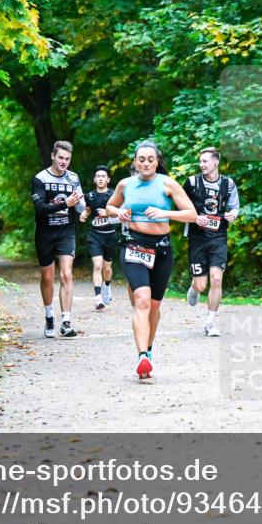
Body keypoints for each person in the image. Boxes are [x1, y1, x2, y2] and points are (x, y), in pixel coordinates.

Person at [106, 141, 196, 382]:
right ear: (134, 162)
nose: (145, 163)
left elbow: (192, 214)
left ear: (157, 162)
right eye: (141, 159)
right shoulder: (125, 185)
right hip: (134, 246)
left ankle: (149, 349)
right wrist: (118, 213)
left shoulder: (168, 184)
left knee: (154, 307)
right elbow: (109, 207)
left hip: (162, 249)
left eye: (150, 159)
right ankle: (142, 355)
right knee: (142, 300)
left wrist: (165, 213)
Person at [183, 147, 240, 336]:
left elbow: (234, 207)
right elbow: (180, 206)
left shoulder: (228, 184)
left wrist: (232, 214)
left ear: (215, 162)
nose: (201, 165)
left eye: (205, 161)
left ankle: (210, 322)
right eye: (200, 161)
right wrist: (194, 217)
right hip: (197, 238)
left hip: (218, 238)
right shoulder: (191, 183)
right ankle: (194, 287)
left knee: (216, 278)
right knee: (201, 285)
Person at [31, 140, 85, 338]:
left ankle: (66, 321)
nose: (64, 162)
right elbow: (40, 208)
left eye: (67, 159)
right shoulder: (40, 179)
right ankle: (49, 316)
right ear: (53, 156)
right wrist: (66, 203)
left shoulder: (73, 178)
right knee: (47, 276)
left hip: (66, 231)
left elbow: (80, 206)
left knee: (66, 275)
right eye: (61, 157)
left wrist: (80, 205)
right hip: (45, 233)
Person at [79, 165, 119, 310]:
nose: (101, 178)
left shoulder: (114, 195)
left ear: (108, 179)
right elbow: (87, 210)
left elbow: (121, 213)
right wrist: (84, 214)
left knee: (107, 269)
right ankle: (97, 298)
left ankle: (107, 286)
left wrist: (108, 214)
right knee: (97, 265)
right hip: (95, 235)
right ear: (95, 180)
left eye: (103, 176)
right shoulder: (89, 196)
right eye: (98, 176)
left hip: (109, 235)